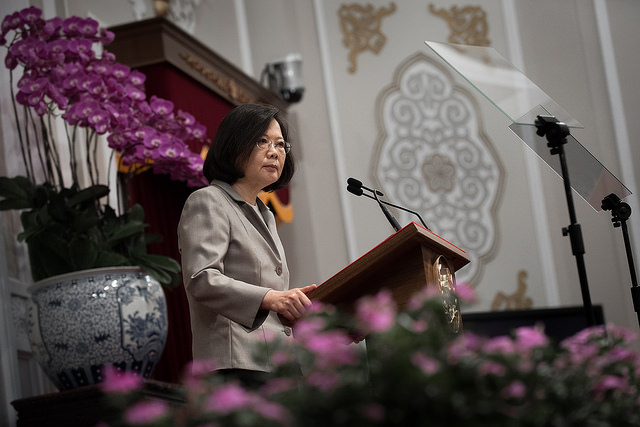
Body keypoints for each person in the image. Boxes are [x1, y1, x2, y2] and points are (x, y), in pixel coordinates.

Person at [178, 104, 316, 385]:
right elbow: (201, 278)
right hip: (236, 366)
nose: (274, 151)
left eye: (280, 144)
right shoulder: (209, 200)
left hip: (278, 366)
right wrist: (271, 298)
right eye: (262, 141)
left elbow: (273, 298)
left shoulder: (264, 213)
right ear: (234, 145)